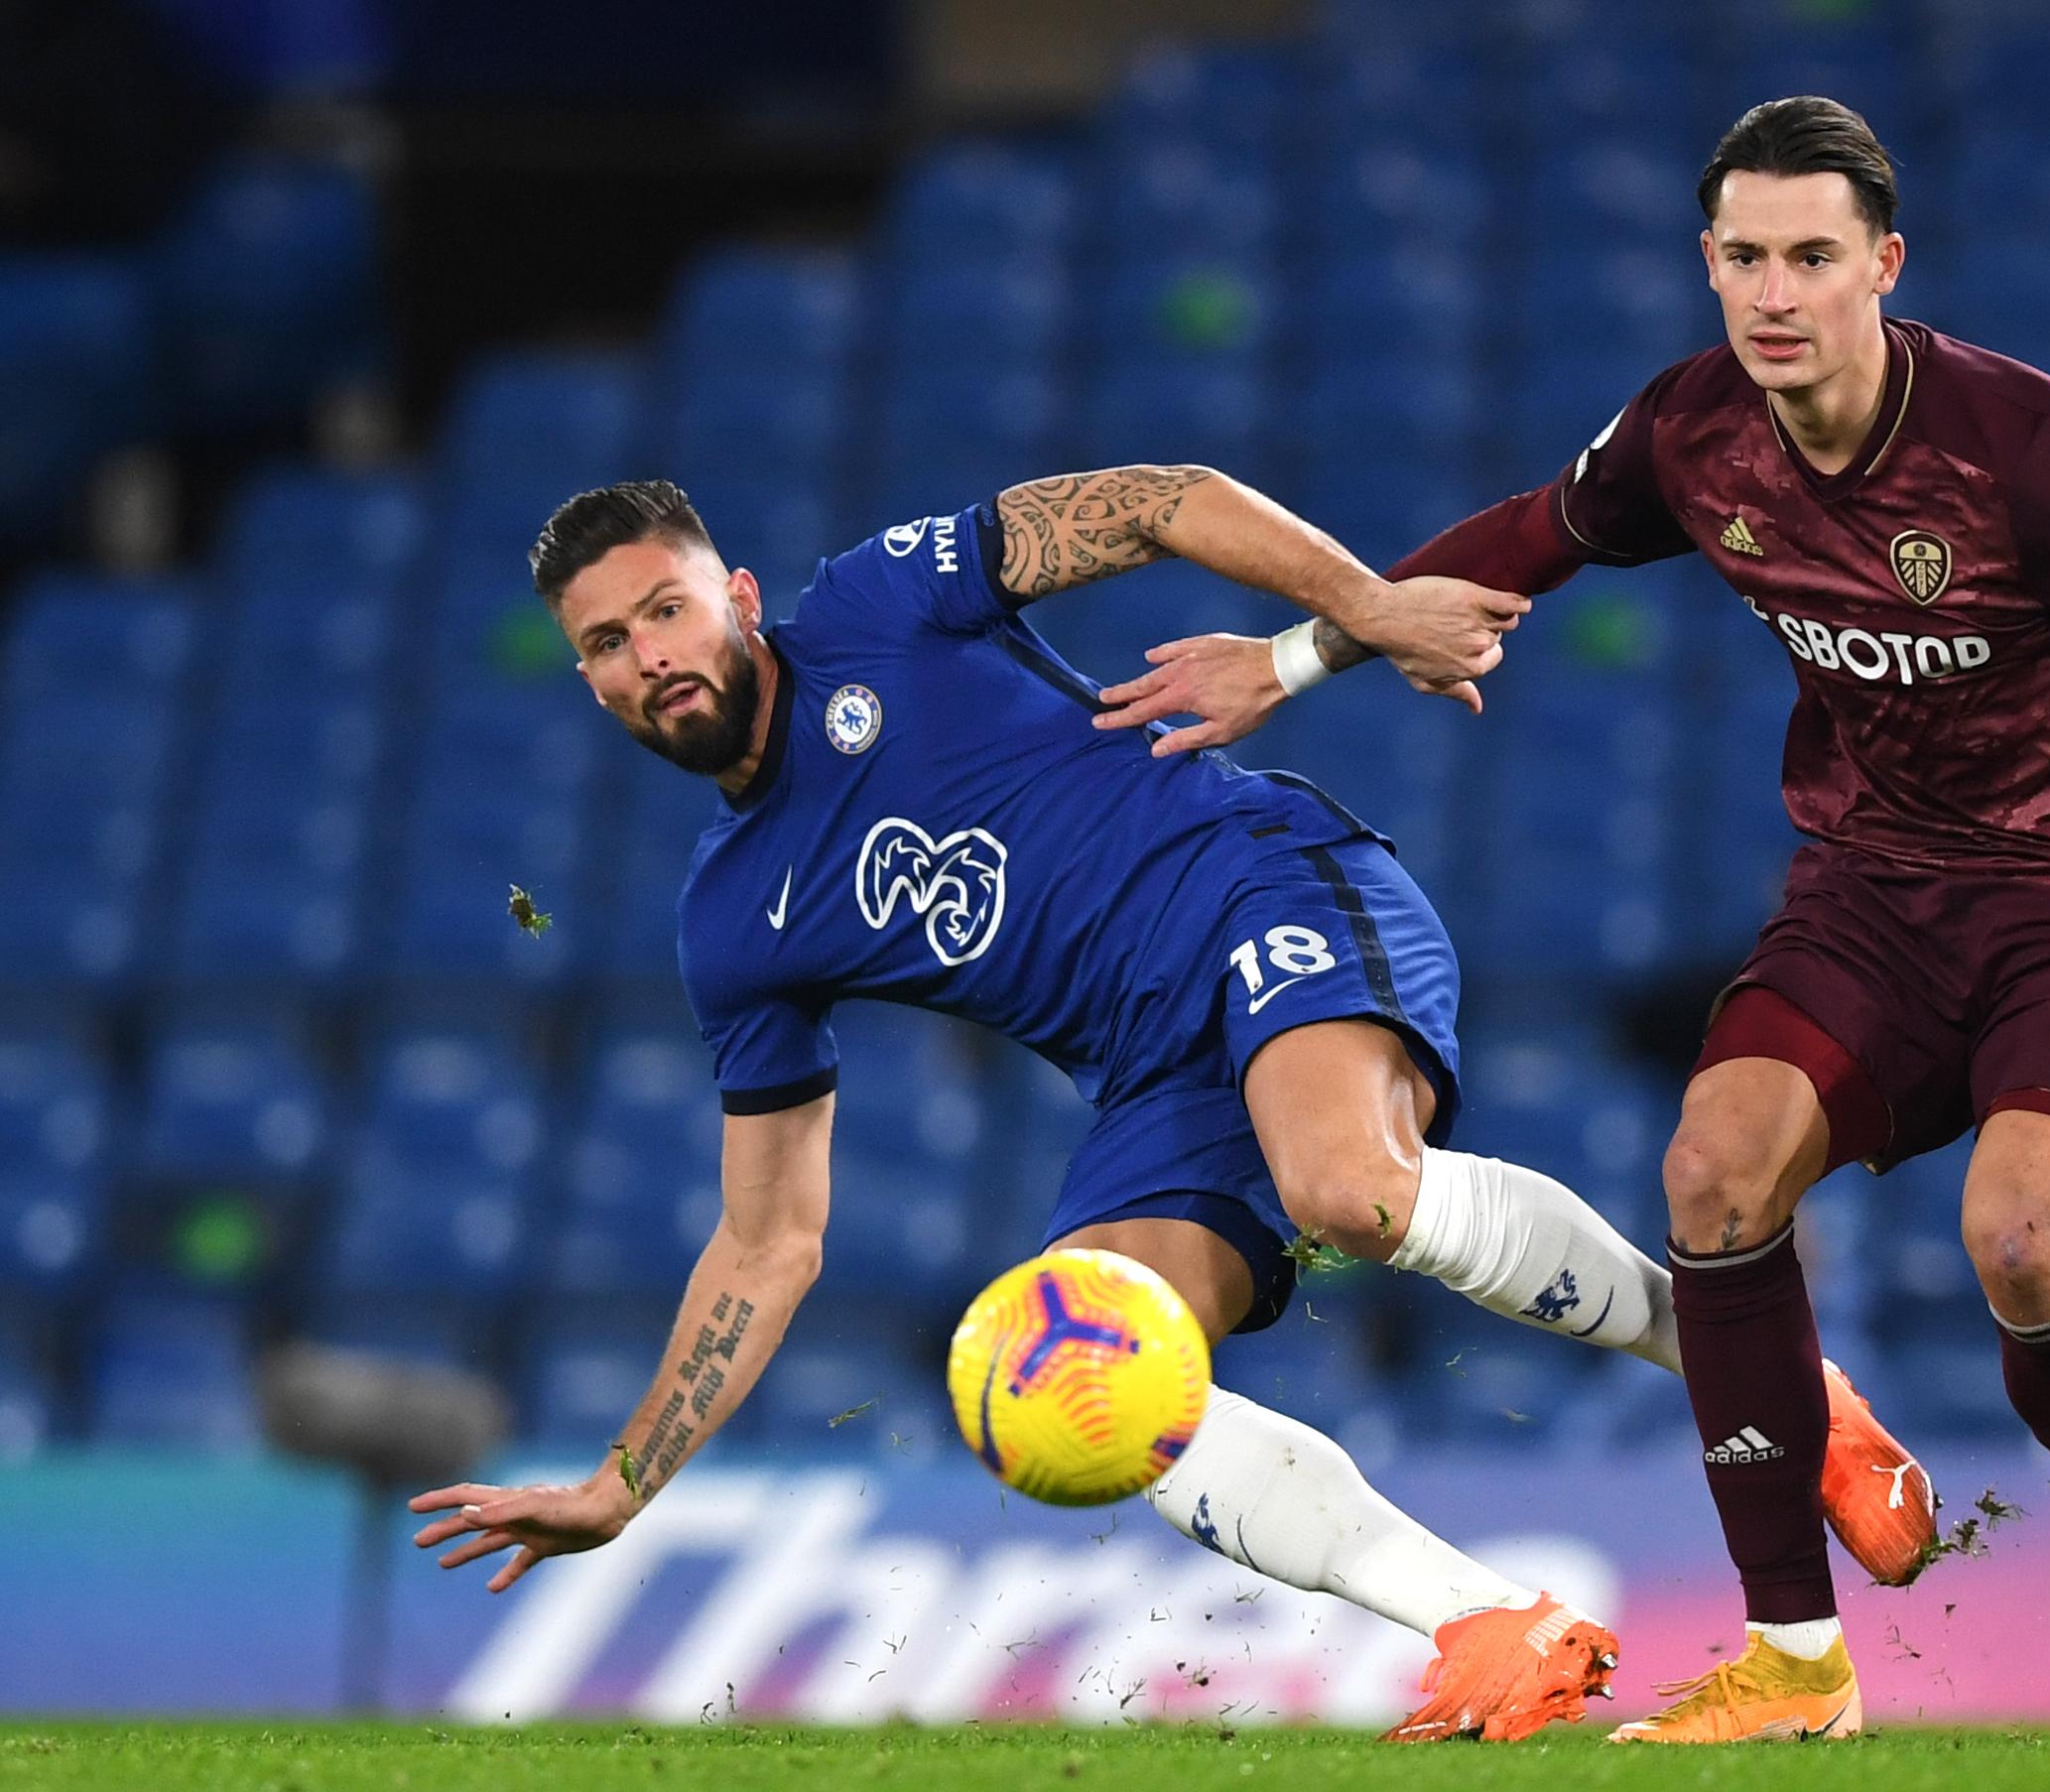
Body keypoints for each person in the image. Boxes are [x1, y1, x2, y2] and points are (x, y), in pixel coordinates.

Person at [1094, 97, 2050, 1745]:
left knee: (2022, 1237)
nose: (1776, 294)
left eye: (1812, 258)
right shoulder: (1693, 429)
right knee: (1711, 1170)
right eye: (1746, 257)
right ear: (1707, 261)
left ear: (1883, 265)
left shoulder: (2026, 447)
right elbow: (1532, 539)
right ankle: (1794, 1663)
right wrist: (1293, 658)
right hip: (1881, 885)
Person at [405, 467, 1932, 1742]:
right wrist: (622, 1481)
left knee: (1348, 1188)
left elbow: (1159, 500)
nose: (647, 655)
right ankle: (1489, 1621)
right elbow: (766, 1242)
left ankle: (1772, 1381)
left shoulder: (878, 601)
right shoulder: (736, 920)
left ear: (736, 594)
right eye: (606, 643)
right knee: (1070, 1373)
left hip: (1264, 886)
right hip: (1150, 1073)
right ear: (588, 679)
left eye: (664, 608)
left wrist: (1365, 608)